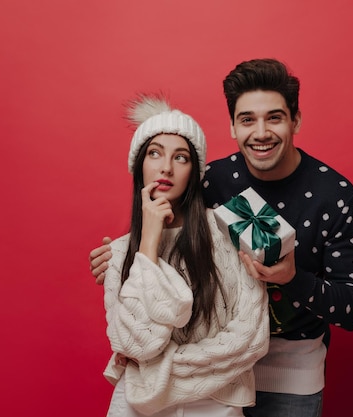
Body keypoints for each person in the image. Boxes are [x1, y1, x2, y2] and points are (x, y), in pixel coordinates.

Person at [90, 59, 353, 417]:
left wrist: (292, 279)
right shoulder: (216, 180)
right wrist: (123, 253)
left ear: (295, 120)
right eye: (247, 119)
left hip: (288, 378)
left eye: (275, 117)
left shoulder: (335, 194)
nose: (261, 132)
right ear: (232, 126)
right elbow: (174, 224)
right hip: (205, 380)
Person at [101, 94, 269, 417]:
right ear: (139, 165)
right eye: (154, 153)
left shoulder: (230, 229)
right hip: (138, 406)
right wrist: (148, 244)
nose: (166, 167)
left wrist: (155, 369)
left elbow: (251, 337)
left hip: (215, 406)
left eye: (181, 157)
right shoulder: (120, 251)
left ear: (194, 170)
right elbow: (133, 342)